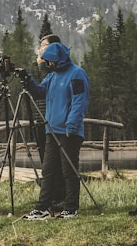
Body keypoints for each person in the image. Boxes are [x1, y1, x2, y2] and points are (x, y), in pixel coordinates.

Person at [21, 40, 90, 220]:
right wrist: (27, 80)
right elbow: (39, 92)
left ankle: (71, 207)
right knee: (48, 171)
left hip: (69, 132)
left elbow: (79, 102)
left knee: (69, 171)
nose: (47, 63)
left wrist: (72, 125)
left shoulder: (77, 74)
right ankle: (43, 207)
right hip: (51, 130)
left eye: (49, 60)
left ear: (57, 59)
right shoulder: (52, 76)